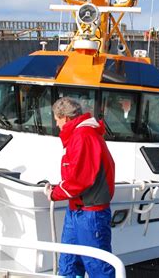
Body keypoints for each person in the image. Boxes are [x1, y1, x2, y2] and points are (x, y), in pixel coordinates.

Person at [46, 97, 116, 278]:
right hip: (77, 209)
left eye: (57, 119)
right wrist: (59, 188)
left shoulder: (83, 137)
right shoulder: (82, 135)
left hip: (90, 213)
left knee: (97, 266)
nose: (56, 124)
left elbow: (79, 180)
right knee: (69, 262)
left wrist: (54, 193)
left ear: (66, 118)